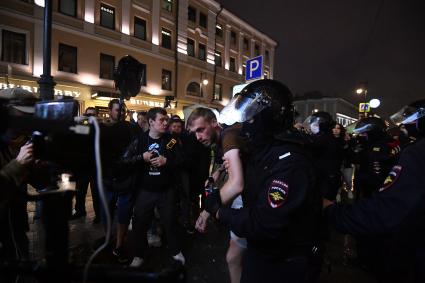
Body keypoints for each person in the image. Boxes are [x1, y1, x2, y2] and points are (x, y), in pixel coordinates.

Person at [206, 79, 322, 283]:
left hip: (284, 264)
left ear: (266, 118)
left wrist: (219, 211)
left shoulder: (289, 161)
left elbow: (264, 223)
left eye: (249, 117)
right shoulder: (265, 150)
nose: (244, 125)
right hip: (263, 252)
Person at [324, 99, 425, 283]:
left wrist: (334, 213)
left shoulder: (412, 152)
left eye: (411, 119)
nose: (404, 125)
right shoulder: (400, 147)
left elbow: (386, 209)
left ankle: (370, 260)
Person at [187, 108, 246, 283]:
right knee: (234, 258)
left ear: (214, 123)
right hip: (252, 198)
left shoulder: (228, 135)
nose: (198, 137)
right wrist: (218, 172)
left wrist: (206, 212)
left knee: (239, 258)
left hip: (258, 200)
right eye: (194, 133)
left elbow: (236, 183)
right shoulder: (222, 138)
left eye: (200, 129)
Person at [123, 107, 185, 268]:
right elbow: (124, 161)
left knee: (170, 222)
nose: (166, 123)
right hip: (145, 191)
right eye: (161, 120)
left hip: (167, 190)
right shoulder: (140, 140)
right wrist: (140, 158)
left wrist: (167, 162)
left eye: (167, 120)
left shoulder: (171, 140)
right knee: (139, 224)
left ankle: (175, 251)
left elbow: (181, 161)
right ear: (151, 122)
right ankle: (138, 254)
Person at [0, 88, 37, 263]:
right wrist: (17, 165)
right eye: (22, 114)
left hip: (16, 225)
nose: (27, 120)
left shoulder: (22, 141)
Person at [71, 107, 100, 223]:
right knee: (80, 191)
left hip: (94, 167)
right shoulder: (82, 128)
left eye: (93, 115)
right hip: (82, 166)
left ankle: (98, 214)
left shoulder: (99, 128)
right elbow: (73, 133)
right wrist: (78, 121)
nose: (90, 117)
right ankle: (80, 211)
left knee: (96, 193)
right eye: (88, 115)